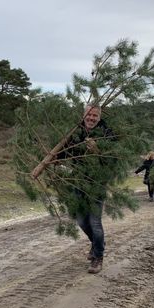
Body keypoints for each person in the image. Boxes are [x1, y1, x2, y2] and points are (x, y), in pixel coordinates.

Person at [56, 104, 115, 274]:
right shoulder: (77, 131)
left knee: (94, 222)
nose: (91, 118)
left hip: (97, 183)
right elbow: (66, 150)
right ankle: (98, 244)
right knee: (81, 220)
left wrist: (97, 151)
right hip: (78, 181)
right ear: (84, 115)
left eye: (95, 116)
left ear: (99, 117)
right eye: (89, 115)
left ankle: (98, 257)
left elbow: (111, 162)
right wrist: (55, 159)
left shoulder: (107, 134)